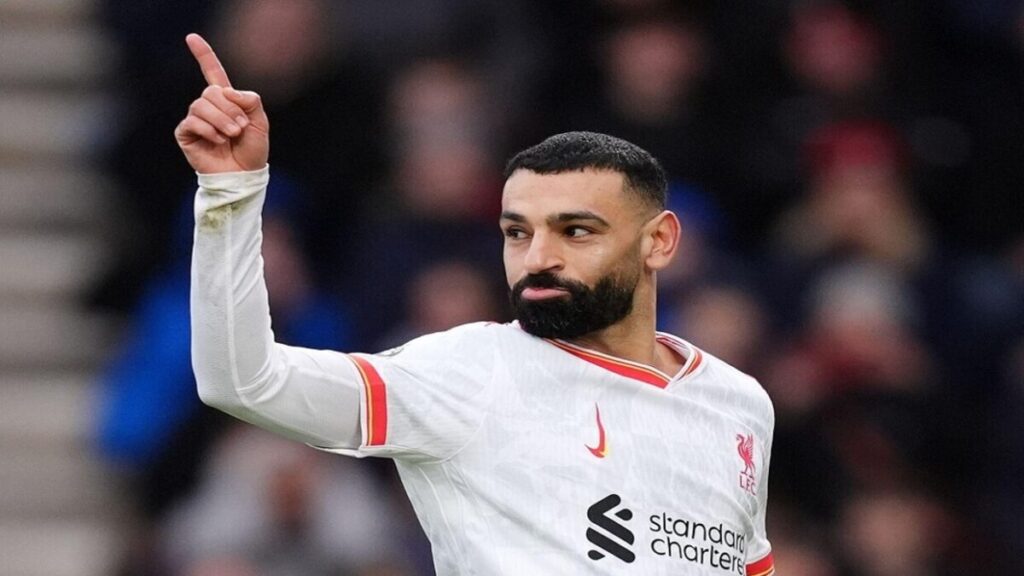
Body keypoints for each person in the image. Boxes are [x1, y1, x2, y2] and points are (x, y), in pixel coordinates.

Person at [176, 33, 775, 575]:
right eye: (517, 232)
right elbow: (243, 381)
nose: (538, 257)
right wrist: (231, 193)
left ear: (659, 242)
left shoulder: (739, 404)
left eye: (575, 231)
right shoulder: (468, 372)